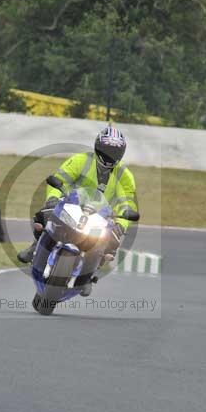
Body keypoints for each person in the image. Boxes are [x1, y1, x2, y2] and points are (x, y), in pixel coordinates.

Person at [17, 125, 139, 294]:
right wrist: (53, 198)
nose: (109, 155)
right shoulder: (80, 160)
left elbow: (127, 204)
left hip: (101, 216)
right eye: (106, 149)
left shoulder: (125, 176)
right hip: (71, 205)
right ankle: (35, 246)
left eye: (114, 152)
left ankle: (88, 276)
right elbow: (60, 179)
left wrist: (121, 224)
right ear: (97, 146)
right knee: (44, 216)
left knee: (110, 242)